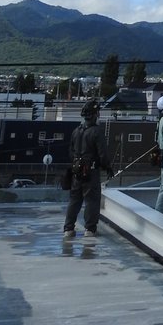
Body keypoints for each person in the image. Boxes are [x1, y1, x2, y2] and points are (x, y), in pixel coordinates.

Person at [64, 99, 113, 238]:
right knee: (92, 200)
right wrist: (107, 167)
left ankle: (68, 229)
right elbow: (102, 154)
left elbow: (71, 151)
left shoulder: (76, 131)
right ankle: (90, 229)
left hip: (76, 171)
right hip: (90, 171)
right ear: (95, 114)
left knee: (74, 200)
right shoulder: (96, 132)